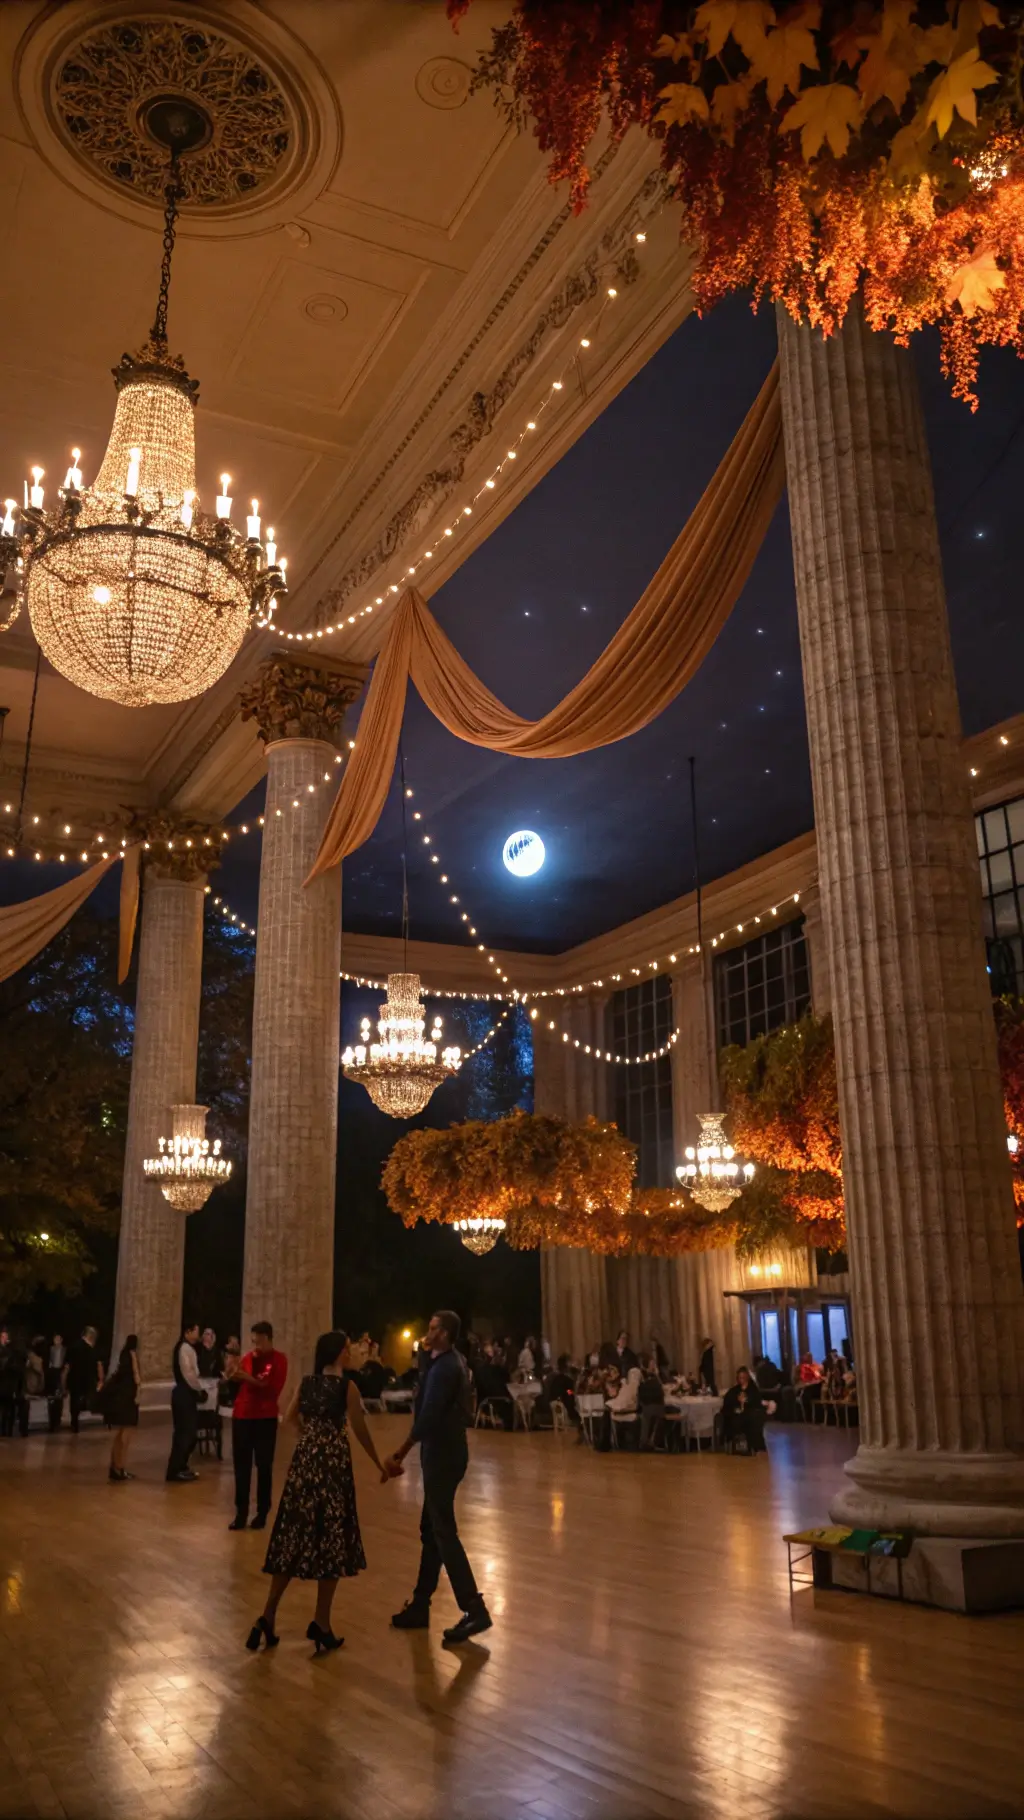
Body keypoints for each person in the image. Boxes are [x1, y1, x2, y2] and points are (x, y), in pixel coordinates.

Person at [248, 1329, 393, 1654]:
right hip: (332, 1468)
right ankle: (321, 1622)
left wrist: (310, 1435)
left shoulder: (307, 1383)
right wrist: (378, 1464)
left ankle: (267, 1616)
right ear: (339, 1354)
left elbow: (288, 1418)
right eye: (347, 1349)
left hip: (304, 1465)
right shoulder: (347, 1387)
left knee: (291, 1537)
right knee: (331, 1541)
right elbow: (359, 1429)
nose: (351, 1353)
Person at [387, 1310, 491, 1645]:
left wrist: (401, 1452)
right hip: (443, 1454)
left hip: (443, 1456)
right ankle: (420, 1604)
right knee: (432, 1530)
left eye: (433, 1329)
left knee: (443, 1531)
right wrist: (422, 1357)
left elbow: (428, 1415)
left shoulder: (447, 1367)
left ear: (445, 1334)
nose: (427, 1333)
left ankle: (474, 1609)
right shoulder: (444, 1361)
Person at [226, 1320, 288, 1530]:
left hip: (265, 1418)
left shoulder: (279, 1360)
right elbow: (239, 1380)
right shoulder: (248, 1358)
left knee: (263, 1466)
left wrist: (248, 1378)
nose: (256, 1346)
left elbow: (271, 1389)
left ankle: (262, 1512)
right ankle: (241, 1512)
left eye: (259, 1341)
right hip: (242, 1416)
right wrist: (233, 1375)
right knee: (241, 1467)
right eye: (253, 1341)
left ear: (268, 1338)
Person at [166, 1321, 205, 1482]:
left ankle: (181, 1466)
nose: (199, 1334)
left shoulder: (187, 1348)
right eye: (197, 1330)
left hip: (185, 1394)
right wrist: (199, 1389)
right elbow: (188, 1373)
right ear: (188, 1332)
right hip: (184, 1394)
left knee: (188, 1433)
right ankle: (175, 1470)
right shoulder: (184, 1348)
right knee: (184, 1433)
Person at [99, 1336, 141, 1480]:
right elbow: (137, 1377)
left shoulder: (123, 1359)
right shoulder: (132, 1356)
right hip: (129, 1400)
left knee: (120, 1435)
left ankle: (116, 1467)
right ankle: (120, 1467)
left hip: (122, 1400)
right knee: (126, 1435)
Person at [64, 1326, 103, 1433]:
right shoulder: (93, 1350)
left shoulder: (73, 1347)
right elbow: (99, 1366)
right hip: (88, 1379)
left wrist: (63, 1381)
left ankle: (74, 1422)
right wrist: (100, 1380)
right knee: (86, 1398)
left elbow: (67, 1366)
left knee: (74, 1400)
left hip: (74, 1378)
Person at [722, 1367, 767, 1455]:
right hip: (736, 1416)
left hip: (750, 1416)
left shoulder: (753, 1390)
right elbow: (727, 1404)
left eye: (743, 1377)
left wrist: (746, 1402)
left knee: (754, 1420)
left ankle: (754, 1447)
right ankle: (737, 1445)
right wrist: (736, 1406)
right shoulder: (733, 1391)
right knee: (734, 1421)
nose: (741, 1380)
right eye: (739, 1378)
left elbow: (757, 1403)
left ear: (747, 1378)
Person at [19, 1338, 46, 1436]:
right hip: (29, 1385)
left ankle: (23, 1428)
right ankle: (23, 1429)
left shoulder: (31, 1357)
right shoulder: (34, 1358)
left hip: (28, 1385)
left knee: (24, 1406)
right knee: (24, 1406)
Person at [637, 1356, 666, 1450]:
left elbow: (661, 1387)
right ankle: (647, 1442)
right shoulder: (643, 1375)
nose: (654, 1365)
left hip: (654, 1403)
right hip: (648, 1402)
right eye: (652, 1363)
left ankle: (651, 1441)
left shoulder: (655, 1375)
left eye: (654, 1363)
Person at [0, 1330, 21, 1438]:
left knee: (6, 1409)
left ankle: (5, 1430)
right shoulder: (9, 1353)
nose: (5, 1339)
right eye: (3, 1337)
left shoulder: (9, 1351)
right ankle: (5, 1430)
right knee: (7, 1409)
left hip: (6, 1385)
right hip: (6, 1385)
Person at [46, 1334, 66, 1431]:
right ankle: (53, 1421)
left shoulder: (64, 1350)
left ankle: (57, 1419)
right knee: (52, 1399)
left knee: (59, 1398)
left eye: (58, 1339)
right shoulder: (51, 1349)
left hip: (60, 1372)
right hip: (52, 1373)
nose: (56, 1341)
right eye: (55, 1339)